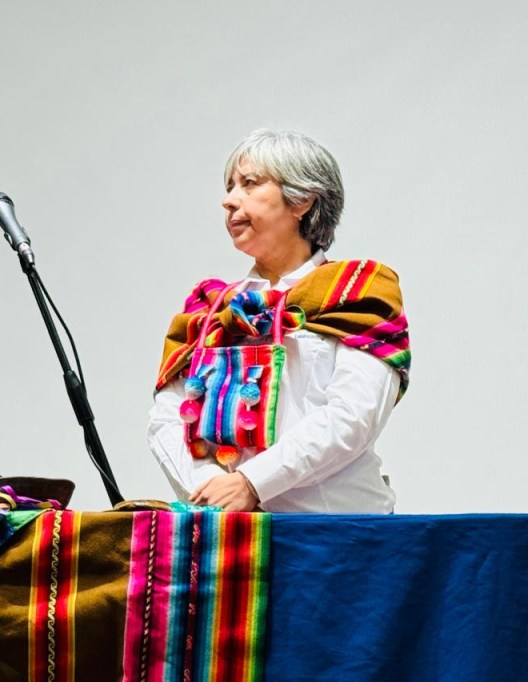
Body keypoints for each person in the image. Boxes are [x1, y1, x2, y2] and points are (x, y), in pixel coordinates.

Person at [148, 129, 410, 513]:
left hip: (340, 534)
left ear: (302, 199)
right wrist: (212, 487)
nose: (228, 200)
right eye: (229, 186)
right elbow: (167, 417)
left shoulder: (357, 293)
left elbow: (353, 415)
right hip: (233, 535)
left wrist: (254, 483)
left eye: (249, 184)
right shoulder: (210, 308)